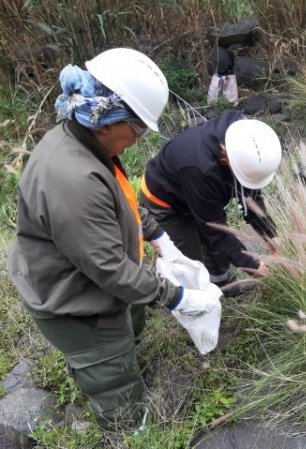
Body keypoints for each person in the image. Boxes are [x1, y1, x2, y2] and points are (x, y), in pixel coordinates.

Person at [8, 48, 222, 431]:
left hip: (96, 281)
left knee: (127, 331)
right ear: (106, 119)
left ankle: (118, 358)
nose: (140, 139)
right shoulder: (71, 178)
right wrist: (177, 297)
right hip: (74, 304)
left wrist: (160, 239)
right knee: (113, 382)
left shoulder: (88, 144)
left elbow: (121, 197)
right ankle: (125, 425)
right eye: (138, 129)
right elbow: (109, 269)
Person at [140, 110, 282, 290]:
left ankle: (223, 284)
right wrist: (251, 265)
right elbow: (213, 228)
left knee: (219, 246)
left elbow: (250, 197)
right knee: (188, 265)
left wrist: (269, 234)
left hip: (195, 191)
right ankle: (186, 302)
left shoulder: (243, 136)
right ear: (228, 160)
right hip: (165, 201)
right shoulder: (200, 168)